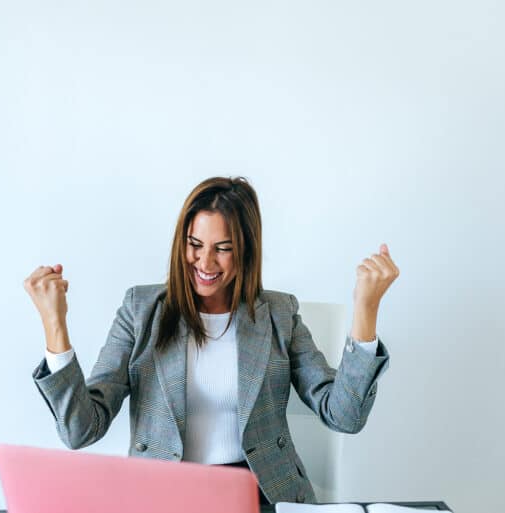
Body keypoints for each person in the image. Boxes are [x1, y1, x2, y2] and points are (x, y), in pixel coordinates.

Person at [24, 176, 399, 506]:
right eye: (195, 244)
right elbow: (80, 430)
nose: (205, 262)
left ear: (246, 250)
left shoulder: (279, 313)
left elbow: (344, 415)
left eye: (223, 248)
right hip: (163, 497)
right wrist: (55, 323)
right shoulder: (140, 310)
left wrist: (365, 310)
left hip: (258, 495)